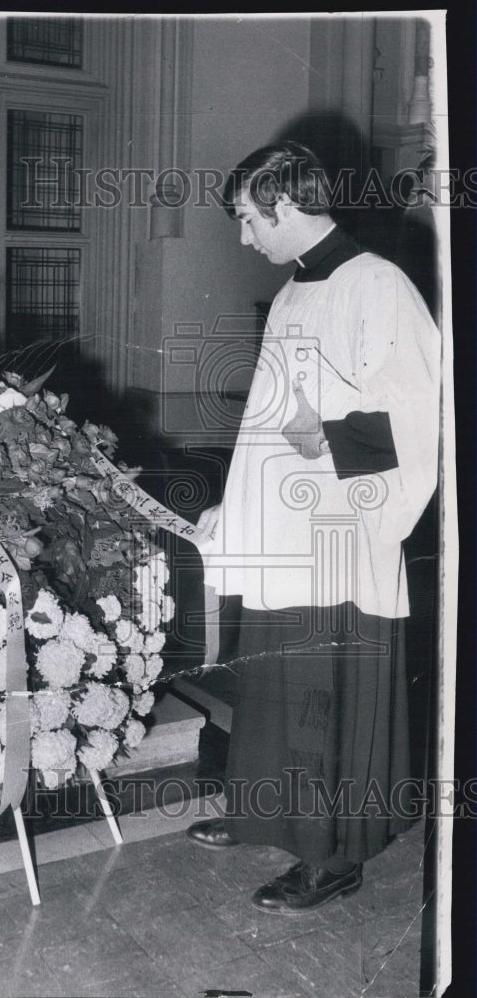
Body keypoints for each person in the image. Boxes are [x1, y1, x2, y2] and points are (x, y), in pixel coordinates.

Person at [186, 142, 441, 913]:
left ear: (286, 206)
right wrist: (238, 506)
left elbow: (420, 413)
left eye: (246, 219)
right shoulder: (298, 288)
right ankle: (267, 810)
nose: (243, 237)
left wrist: (329, 435)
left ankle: (332, 855)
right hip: (287, 528)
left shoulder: (378, 285)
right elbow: (271, 421)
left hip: (338, 535)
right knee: (275, 682)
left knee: (318, 697)